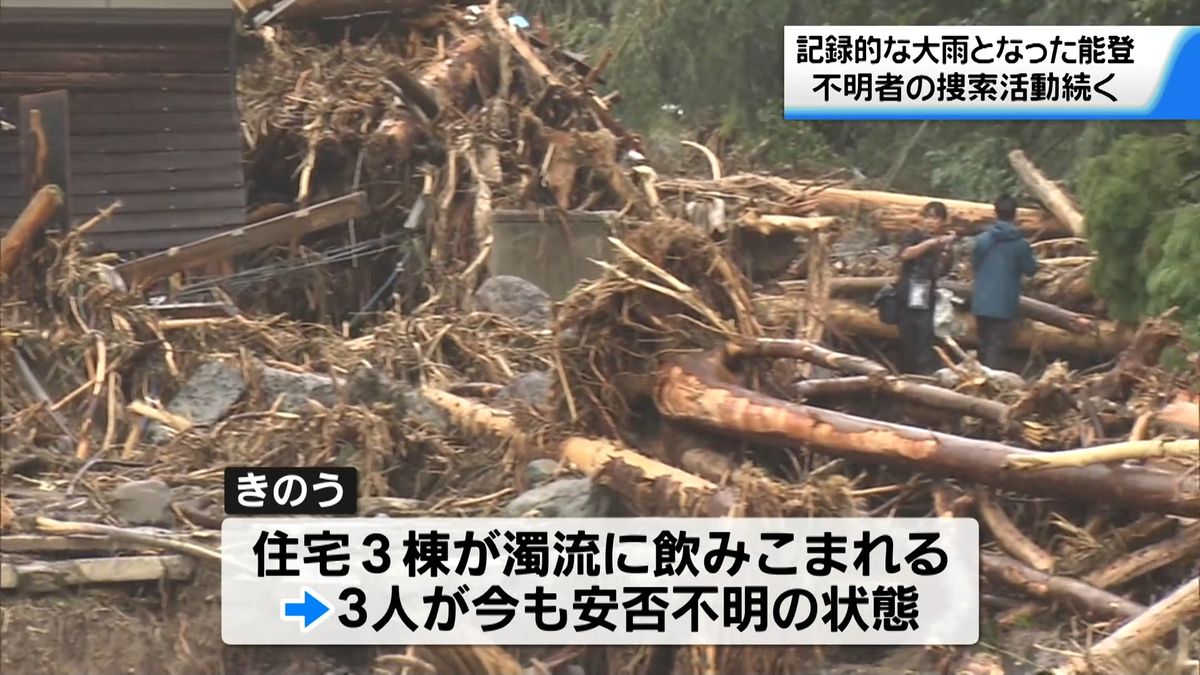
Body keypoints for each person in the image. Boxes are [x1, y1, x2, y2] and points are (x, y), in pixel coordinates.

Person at [970, 193, 1038, 370]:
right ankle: (989, 387)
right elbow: (1031, 269)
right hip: (1005, 304)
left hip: (982, 302)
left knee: (984, 345)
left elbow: (975, 264)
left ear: (995, 213)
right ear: (1015, 215)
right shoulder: (1021, 244)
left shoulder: (982, 239)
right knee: (996, 348)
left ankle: (979, 380)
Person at [895, 201, 956, 374]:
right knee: (908, 333)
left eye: (935, 218)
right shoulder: (913, 235)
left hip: (926, 292)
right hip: (908, 290)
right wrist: (931, 243)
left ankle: (923, 373)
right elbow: (906, 254)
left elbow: (943, 269)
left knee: (924, 334)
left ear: (943, 221)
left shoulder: (943, 242)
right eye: (927, 217)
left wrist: (947, 248)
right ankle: (906, 372)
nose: (930, 222)